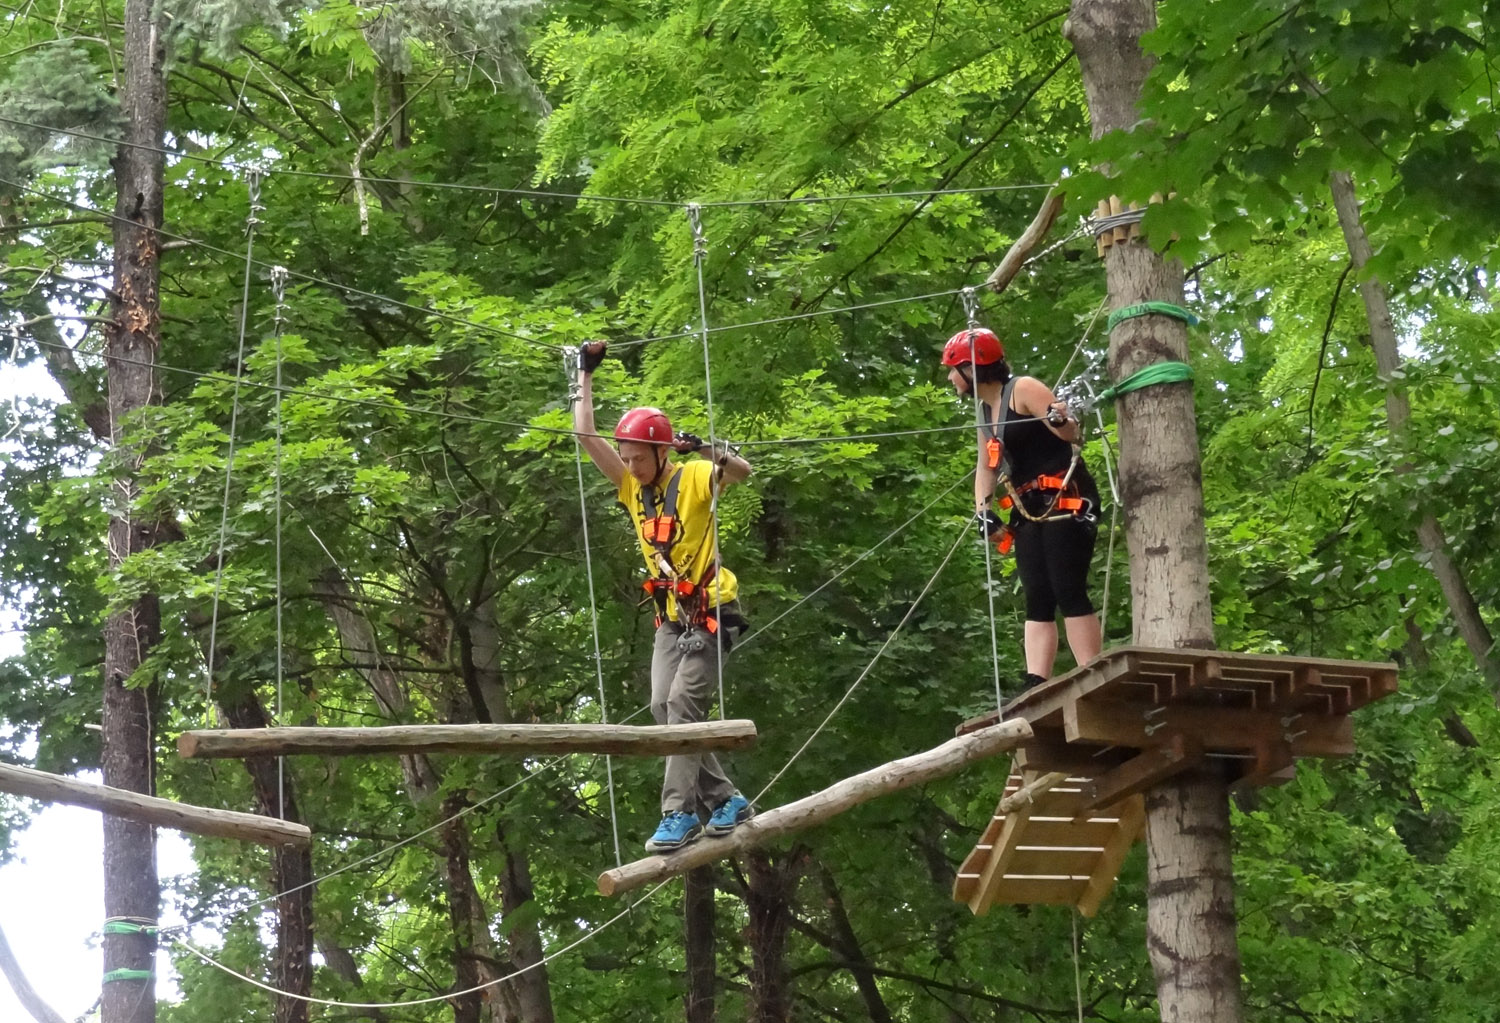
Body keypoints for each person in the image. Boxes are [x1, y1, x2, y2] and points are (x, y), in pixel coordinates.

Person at [573, 340, 754, 852]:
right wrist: (585, 374)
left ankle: (678, 812)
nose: (630, 466)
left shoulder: (693, 477)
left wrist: (704, 449)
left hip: (712, 610)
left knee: (682, 704)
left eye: (638, 457)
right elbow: (585, 435)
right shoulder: (632, 489)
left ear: (661, 452)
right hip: (673, 617)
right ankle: (726, 799)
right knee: (661, 707)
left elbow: (741, 472)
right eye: (625, 457)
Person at [942, 327, 1103, 692]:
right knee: (1037, 593)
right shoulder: (984, 412)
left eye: (954, 370)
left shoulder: (1024, 389)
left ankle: (1091, 671)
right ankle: (1036, 681)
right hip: (1027, 508)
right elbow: (986, 467)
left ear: (972, 368)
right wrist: (982, 511)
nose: (951, 378)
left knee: (1067, 586)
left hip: (1065, 499)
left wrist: (1061, 420)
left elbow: (1071, 433)